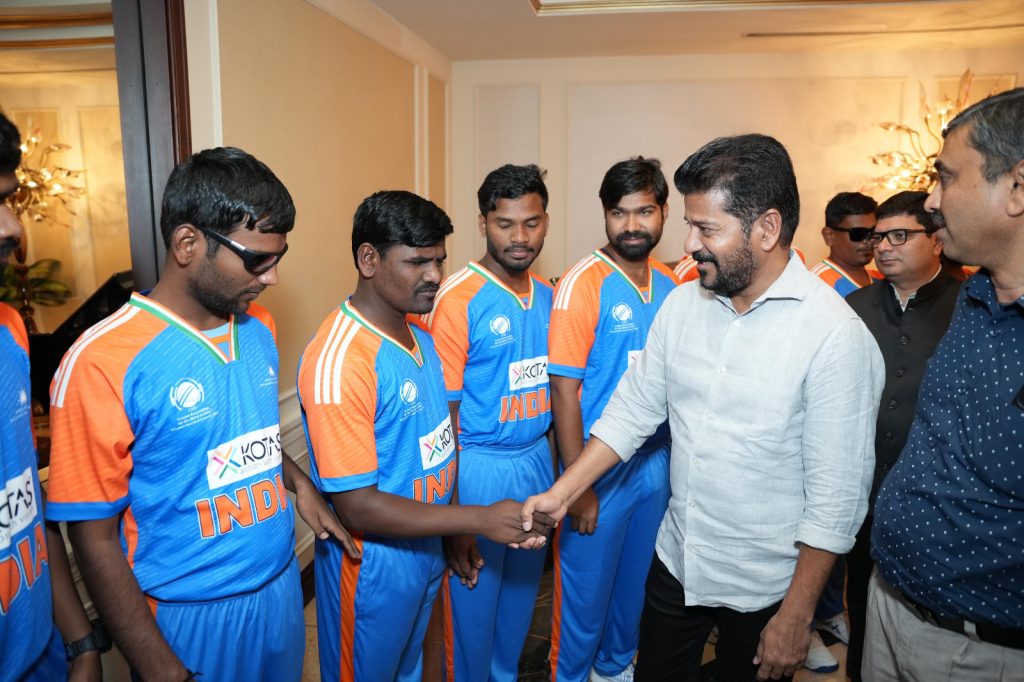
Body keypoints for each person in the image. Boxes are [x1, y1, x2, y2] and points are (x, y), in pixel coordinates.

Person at [523, 134, 884, 682]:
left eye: (707, 229)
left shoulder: (833, 337)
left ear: (766, 228)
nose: (688, 243)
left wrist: (797, 615)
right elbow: (630, 413)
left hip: (765, 587)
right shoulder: (684, 306)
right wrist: (562, 492)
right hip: (677, 564)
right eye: (690, 224)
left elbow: (836, 501)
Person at [45, 147, 355, 681]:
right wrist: (160, 667)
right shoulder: (101, 361)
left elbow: (243, 436)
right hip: (187, 617)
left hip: (279, 591)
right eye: (258, 259)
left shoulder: (258, 328)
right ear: (189, 243)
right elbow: (90, 536)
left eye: (278, 257)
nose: (273, 277)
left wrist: (300, 483)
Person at [296, 190, 551, 682]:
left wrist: (451, 529)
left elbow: (441, 441)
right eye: (417, 262)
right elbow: (356, 505)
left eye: (439, 260)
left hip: (424, 541)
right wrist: (474, 517)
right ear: (368, 259)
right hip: (372, 562)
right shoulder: (342, 358)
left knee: (414, 668)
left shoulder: (421, 337)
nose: (435, 275)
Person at [867, 87, 1024, 681]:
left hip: (981, 650)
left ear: (1017, 186)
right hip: (893, 607)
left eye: (947, 178)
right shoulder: (977, 298)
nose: (930, 201)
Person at [547, 156, 678, 682]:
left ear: (663, 212)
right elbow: (563, 390)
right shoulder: (583, 282)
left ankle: (616, 667)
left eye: (643, 211)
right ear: (605, 216)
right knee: (583, 594)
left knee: (635, 587)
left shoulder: (674, 287)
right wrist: (578, 485)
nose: (631, 225)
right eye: (618, 213)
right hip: (599, 468)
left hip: (656, 462)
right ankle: (573, 674)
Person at [424, 165, 556, 682]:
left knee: (519, 611)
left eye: (531, 222)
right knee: (470, 621)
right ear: (482, 224)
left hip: (535, 463)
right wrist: (457, 523)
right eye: (505, 223)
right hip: (476, 466)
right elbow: (444, 420)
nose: (519, 237)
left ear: (546, 221)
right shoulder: (457, 298)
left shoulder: (549, 295)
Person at [841, 190, 960, 681]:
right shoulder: (852, 307)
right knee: (861, 603)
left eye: (899, 235)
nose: (883, 246)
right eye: (877, 237)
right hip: (859, 487)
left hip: (934, 498)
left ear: (935, 240)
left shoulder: (969, 306)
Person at [1, 111, 103, 682]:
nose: (14, 228)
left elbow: (26, 510)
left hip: (42, 655)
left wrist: (80, 641)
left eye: (9, 199)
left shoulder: (10, 331)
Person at [809, 192, 883, 296]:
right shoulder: (816, 284)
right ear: (829, 236)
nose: (868, 241)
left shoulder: (882, 279)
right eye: (858, 234)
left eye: (873, 233)